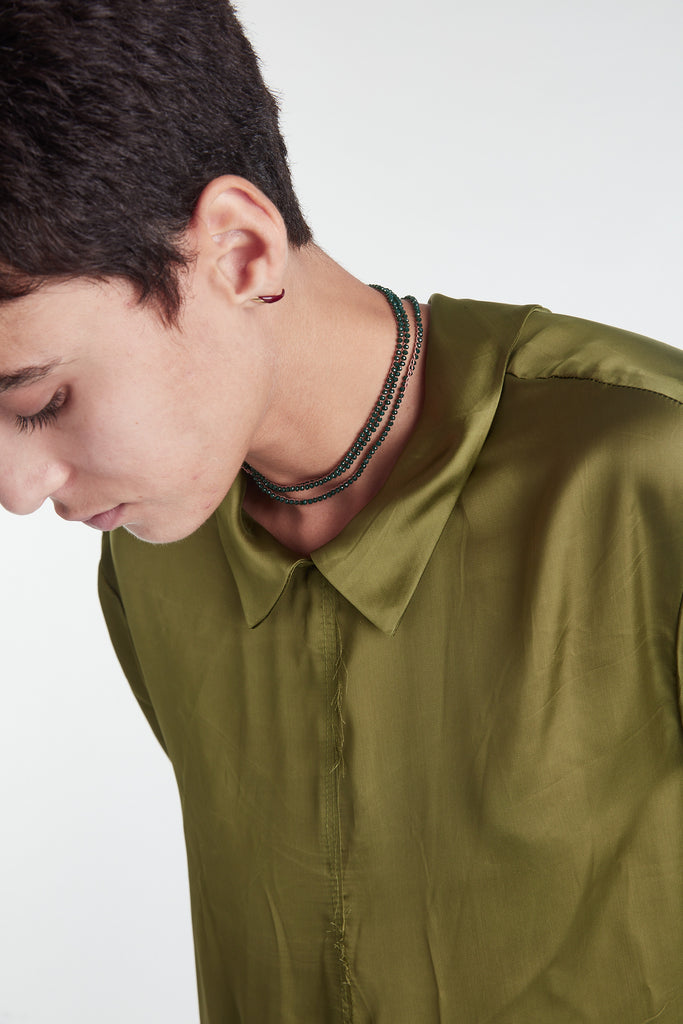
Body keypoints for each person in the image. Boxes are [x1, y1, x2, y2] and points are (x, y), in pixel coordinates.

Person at [0, 1, 681, 1022]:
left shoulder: (650, 472)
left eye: (42, 400)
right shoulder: (153, 547)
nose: (16, 491)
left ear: (240, 251)